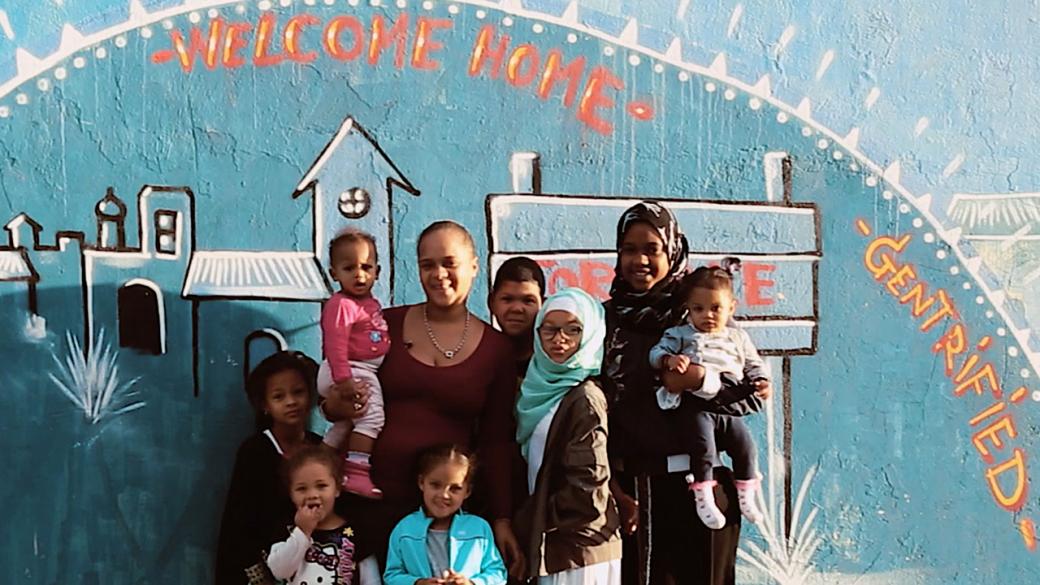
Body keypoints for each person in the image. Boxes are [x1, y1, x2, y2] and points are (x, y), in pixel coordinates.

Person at [325, 220, 523, 578]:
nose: (439, 274)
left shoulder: (496, 350)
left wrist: (502, 518)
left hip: (441, 519)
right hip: (365, 501)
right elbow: (337, 398)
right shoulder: (383, 325)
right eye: (427, 264)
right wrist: (332, 406)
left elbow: (496, 441)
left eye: (449, 262)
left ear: (475, 266)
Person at [600, 201, 770, 585]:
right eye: (629, 249)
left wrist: (697, 380)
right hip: (633, 497)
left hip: (703, 489)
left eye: (652, 249)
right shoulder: (604, 322)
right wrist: (610, 487)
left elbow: (748, 397)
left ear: (673, 250)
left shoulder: (698, 316)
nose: (639, 259)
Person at [648, 260, 769, 529]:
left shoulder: (737, 338)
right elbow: (655, 354)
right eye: (698, 309)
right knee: (703, 449)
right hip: (697, 406)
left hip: (727, 404)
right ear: (688, 309)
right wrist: (669, 360)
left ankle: (746, 493)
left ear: (731, 308)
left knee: (745, 445)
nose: (708, 316)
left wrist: (761, 381)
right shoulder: (680, 334)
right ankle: (703, 494)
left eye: (716, 308)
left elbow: (753, 364)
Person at [515, 288, 621, 584]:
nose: (559, 340)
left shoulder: (584, 397)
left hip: (579, 553)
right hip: (557, 545)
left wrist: (532, 517)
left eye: (573, 330)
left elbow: (588, 491)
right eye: (549, 329)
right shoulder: (539, 389)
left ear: (589, 335)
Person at [215, 351, 325, 585]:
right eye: (279, 396)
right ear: (265, 405)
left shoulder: (319, 448)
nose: (291, 402)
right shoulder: (256, 452)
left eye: (298, 392)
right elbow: (239, 525)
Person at [318, 228, 389, 498]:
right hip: (350, 369)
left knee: (349, 422)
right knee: (372, 418)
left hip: (357, 368)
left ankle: (323, 460)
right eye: (349, 268)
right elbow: (335, 344)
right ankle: (357, 472)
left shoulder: (370, 303)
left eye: (366, 267)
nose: (359, 275)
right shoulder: (341, 304)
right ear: (334, 273)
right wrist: (345, 378)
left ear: (377, 271)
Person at [384, 445, 508, 585]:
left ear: (467, 492)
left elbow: (498, 574)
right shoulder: (404, 528)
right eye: (436, 485)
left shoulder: (479, 528)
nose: (444, 495)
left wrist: (472, 583)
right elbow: (391, 575)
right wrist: (418, 583)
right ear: (421, 482)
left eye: (455, 489)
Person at [267, 446, 367, 584]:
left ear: (337, 488)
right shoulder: (286, 530)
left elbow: (370, 579)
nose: (312, 495)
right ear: (291, 494)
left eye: (321, 486)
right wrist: (303, 531)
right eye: (301, 488)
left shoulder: (355, 533)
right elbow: (279, 571)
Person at [488, 256, 546, 375]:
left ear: (543, 306)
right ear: (491, 303)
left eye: (528, 300)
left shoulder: (554, 362)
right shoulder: (480, 359)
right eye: (507, 299)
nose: (517, 309)